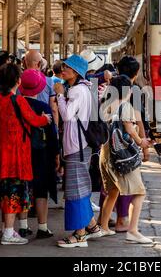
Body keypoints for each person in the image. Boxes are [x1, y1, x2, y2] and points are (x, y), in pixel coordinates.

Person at [0, 63, 50, 245]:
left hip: (1, 152)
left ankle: (5, 229)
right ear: (18, 81)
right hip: (15, 155)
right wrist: (46, 119)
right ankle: (9, 233)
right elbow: (34, 120)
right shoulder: (18, 100)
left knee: (5, 192)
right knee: (13, 193)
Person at [53, 54, 104, 248]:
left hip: (77, 145)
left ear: (75, 72)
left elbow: (66, 115)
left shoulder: (76, 91)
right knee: (81, 188)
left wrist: (59, 95)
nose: (62, 70)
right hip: (82, 145)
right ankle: (92, 227)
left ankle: (79, 235)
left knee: (75, 191)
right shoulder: (85, 89)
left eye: (65, 67)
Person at [99, 75, 152, 244]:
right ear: (128, 90)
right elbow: (129, 128)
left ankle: (103, 227)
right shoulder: (126, 106)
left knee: (113, 191)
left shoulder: (104, 105)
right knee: (140, 192)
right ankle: (133, 231)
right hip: (122, 157)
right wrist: (141, 142)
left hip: (106, 154)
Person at [19, 69, 60, 239]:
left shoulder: (17, 104)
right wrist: (57, 155)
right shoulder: (44, 107)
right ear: (39, 89)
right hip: (42, 153)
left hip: (21, 152)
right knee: (41, 189)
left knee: (23, 188)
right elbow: (52, 134)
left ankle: (22, 225)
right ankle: (42, 227)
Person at [24, 50, 59, 127]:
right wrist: (55, 128)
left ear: (24, 62)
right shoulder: (49, 81)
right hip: (44, 121)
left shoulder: (18, 80)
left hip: (24, 123)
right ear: (39, 63)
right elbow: (53, 108)